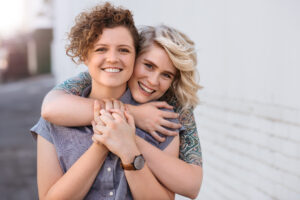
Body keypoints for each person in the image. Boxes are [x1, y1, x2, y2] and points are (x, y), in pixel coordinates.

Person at [42, 19, 203, 199]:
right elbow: (50, 107)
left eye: (166, 75)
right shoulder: (87, 81)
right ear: (133, 59)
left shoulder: (170, 109)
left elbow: (191, 185)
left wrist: (128, 140)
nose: (153, 81)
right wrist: (130, 115)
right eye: (148, 65)